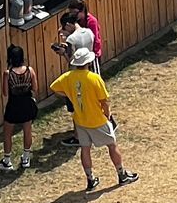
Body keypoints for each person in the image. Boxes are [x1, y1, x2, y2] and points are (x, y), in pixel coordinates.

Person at [51, 42, 139, 188]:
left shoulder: (68, 77)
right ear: (88, 62)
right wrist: (108, 115)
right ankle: (122, 174)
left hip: (80, 121)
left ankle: (90, 178)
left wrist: (69, 94)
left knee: (85, 149)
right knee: (112, 145)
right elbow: (104, 101)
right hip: (97, 120)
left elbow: (54, 87)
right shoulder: (94, 78)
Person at [0, 43, 40, 172]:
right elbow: (35, 88)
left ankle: (7, 160)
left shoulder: (7, 73)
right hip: (27, 103)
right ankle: (26, 158)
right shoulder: (30, 70)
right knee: (27, 130)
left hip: (14, 105)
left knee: (8, 133)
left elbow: (5, 93)